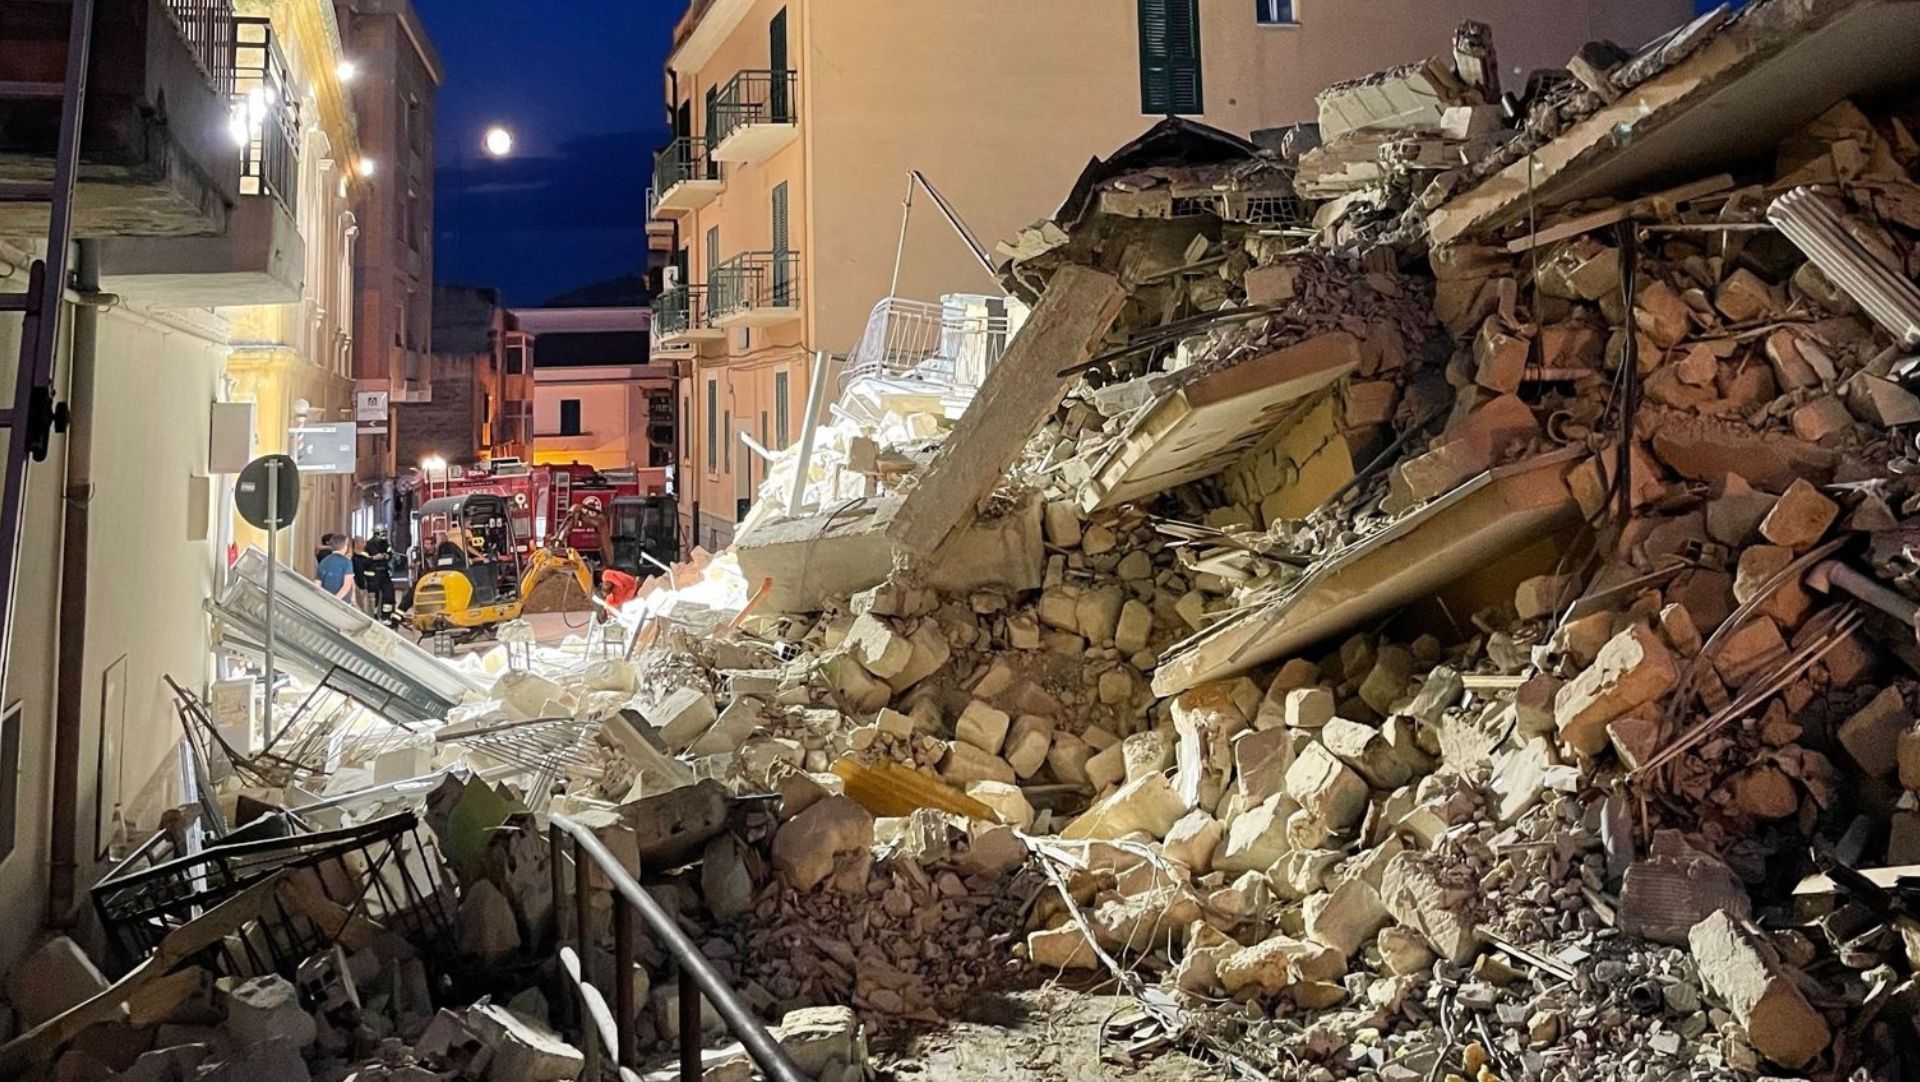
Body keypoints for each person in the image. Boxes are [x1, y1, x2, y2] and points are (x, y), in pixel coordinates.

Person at [316, 534, 355, 603]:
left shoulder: (324, 561)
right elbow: (347, 585)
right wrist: (335, 600)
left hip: (326, 601)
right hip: (342, 602)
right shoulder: (347, 562)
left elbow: (317, 584)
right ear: (344, 546)